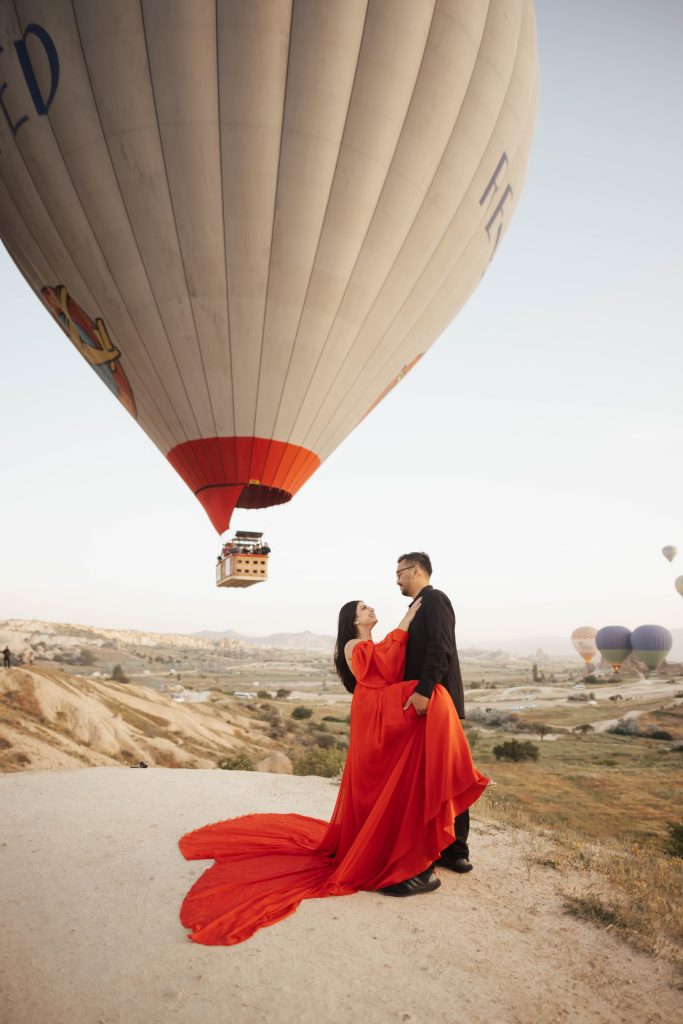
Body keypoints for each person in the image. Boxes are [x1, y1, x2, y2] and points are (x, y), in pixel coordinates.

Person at [178, 600, 488, 945]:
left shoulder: (370, 642)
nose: (370, 610)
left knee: (400, 774)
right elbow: (385, 661)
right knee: (403, 754)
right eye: (363, 608)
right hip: (376, 715)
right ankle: (414, 853)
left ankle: (424, 846)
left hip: (379, 712)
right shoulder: (354, 645)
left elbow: (389, 653)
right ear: (352, 620)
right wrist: (410, 616)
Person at [397, 551, 473, 877]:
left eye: (399, 572)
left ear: (415, 570)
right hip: (426, 703)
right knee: (428, 777)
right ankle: (435, 845)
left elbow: (440, 647)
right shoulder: (417, 607)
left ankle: (457, 851)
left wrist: (425, 690)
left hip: (437, 702)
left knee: (450, 775)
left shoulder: (436, 600)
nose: (396, 579)